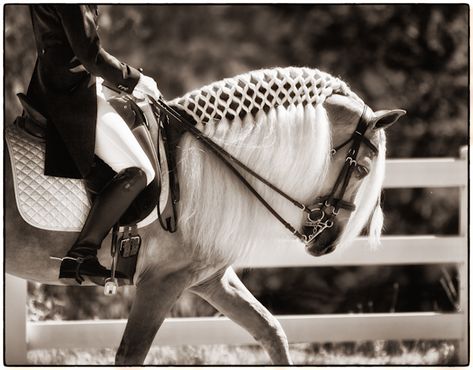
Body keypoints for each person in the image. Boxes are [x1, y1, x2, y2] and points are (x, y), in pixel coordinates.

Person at [26, 5, 160, 284]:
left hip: (55, 84)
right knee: (139, 170)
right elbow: (90, 55)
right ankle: (81, 254)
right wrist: (135, 79)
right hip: (71, 96)